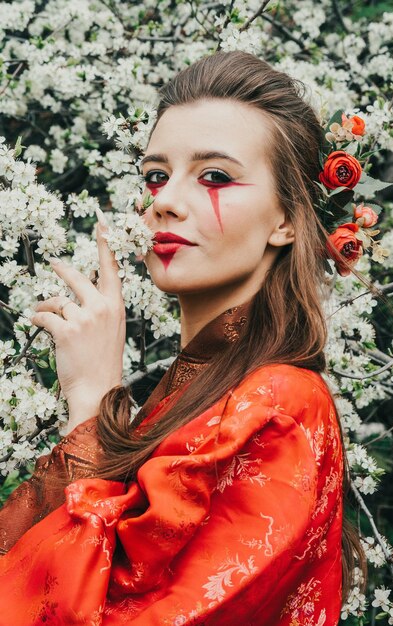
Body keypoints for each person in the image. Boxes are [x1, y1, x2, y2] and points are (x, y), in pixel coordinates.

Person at [0, 51, 362, 625]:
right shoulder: (192, 397)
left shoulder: (281, 408)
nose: (164, 199)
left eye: (215, 175)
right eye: (154, 175)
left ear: (286, 219)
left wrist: (92, 403)